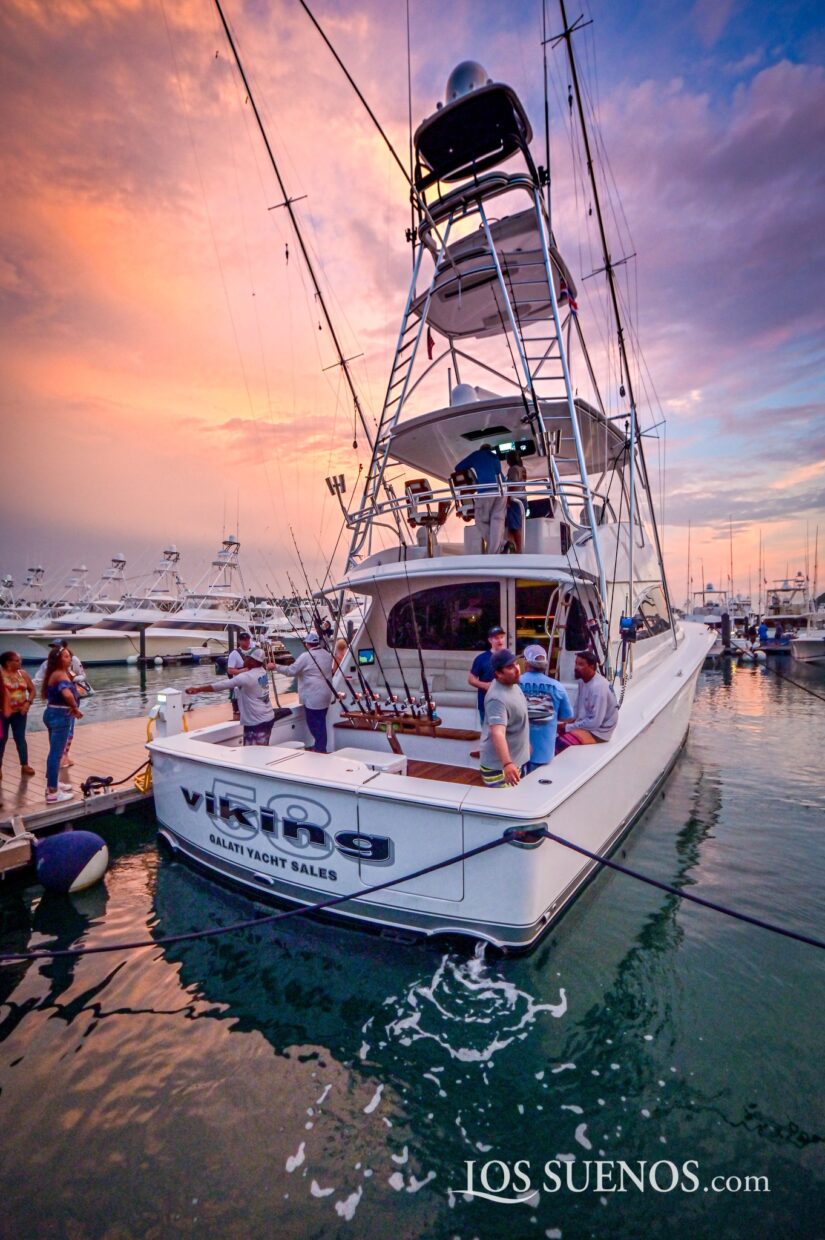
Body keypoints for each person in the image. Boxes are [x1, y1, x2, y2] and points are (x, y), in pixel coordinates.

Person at [186, 643, 276, 745]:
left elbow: (222, 685)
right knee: (262, 749)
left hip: (256, 722)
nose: (244, 659)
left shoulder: (246, 677)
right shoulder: (262, 671)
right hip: (268, 717)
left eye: (247, 657)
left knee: (253, 753)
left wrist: (199, 689)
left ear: (253, 661)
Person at [479, 648, 531, 786]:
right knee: (507, 804)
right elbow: (498, 733)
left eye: (516, 664)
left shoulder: (514, 684)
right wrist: (507, 763)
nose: (517, 669)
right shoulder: (496, 699)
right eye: (510, 667)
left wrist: (525, 745)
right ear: (498, 674)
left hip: (517, 762)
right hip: (499, 769)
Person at [519, 645, 574, 771]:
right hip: (544, 753)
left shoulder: (514, 684)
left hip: (517, 753)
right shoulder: (557, 686)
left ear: (526, 663)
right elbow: (567, 717)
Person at [41, 646, 83, 803]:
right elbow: (67, 694)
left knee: (54, 751)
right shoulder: (61, 675)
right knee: (56, 754)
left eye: (69, 656)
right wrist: (75, 708)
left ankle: (52, 782)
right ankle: (52, 792)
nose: (69, 658)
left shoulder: (54, 674)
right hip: (60, 716)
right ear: (58, 660)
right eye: (65, 656)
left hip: (51, 712)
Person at [556, 650, 618, 750]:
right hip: (588, 725)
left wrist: (567, 727)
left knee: (559, 744)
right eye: (576, 663)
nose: (576, 667)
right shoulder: (583, 681)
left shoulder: (598, 688)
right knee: (552, 734)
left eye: (581, 664)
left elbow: (595, 722)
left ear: (592, 667)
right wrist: (565, 722)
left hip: (599, 732)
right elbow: (577, 707)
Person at [284, 633, 335, 754]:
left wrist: (275, 666)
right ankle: (320, 747)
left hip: (314, 698)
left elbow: (291, 671)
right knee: (321, 723)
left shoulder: (306, 656)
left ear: (307, 644)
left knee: (315, 725)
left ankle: (320, 749)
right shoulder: (327, 654)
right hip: (326, 695)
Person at [455, 443, 505, 554]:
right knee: (497, 521)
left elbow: (458, 468)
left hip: (485, 491)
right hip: (501, 491)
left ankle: (502, 545)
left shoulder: (477, 455)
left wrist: (472, 476)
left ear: (480, 449)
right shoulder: (495, 457)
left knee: (480, 521)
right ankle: (497, 550)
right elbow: (501, 476)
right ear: (490, 450)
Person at [0, 651, 36, 781]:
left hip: (20, 713)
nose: (20, 662)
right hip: (2, 713)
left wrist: (28, 703)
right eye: (17, 660)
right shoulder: (0, 675)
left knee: (20, 738)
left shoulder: (23, 674)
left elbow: (32, 690)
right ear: (8, 662)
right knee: (1, 740)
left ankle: (24, 765)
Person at [468, 625, 507, 723]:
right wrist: (485, 685)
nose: (500, 641)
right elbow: (471, 679)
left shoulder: (509, 657)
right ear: (490, 640)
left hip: (506, 702)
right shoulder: (481, 658)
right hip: (486, 702)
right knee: (487, 734)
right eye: (496, 638)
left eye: (502, 637)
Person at [504, 450, 528, 554]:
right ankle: (512, 547)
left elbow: (512, 485)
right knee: (513, 526)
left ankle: (519, 550)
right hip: (523, 499)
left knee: (515, 527)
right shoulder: (523, 469)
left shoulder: (513, 469)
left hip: (515, 500)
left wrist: (508, 499)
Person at [227, 630, 253, 720]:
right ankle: (237, 718)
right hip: (240, 684)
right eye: (243, 640)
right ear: (239, 641)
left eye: (247, 639)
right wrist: (243, 670)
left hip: (252, 683)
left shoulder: (254, 652)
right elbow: (230, 670)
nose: (246, 641)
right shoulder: (234, 654)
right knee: (238, 708)